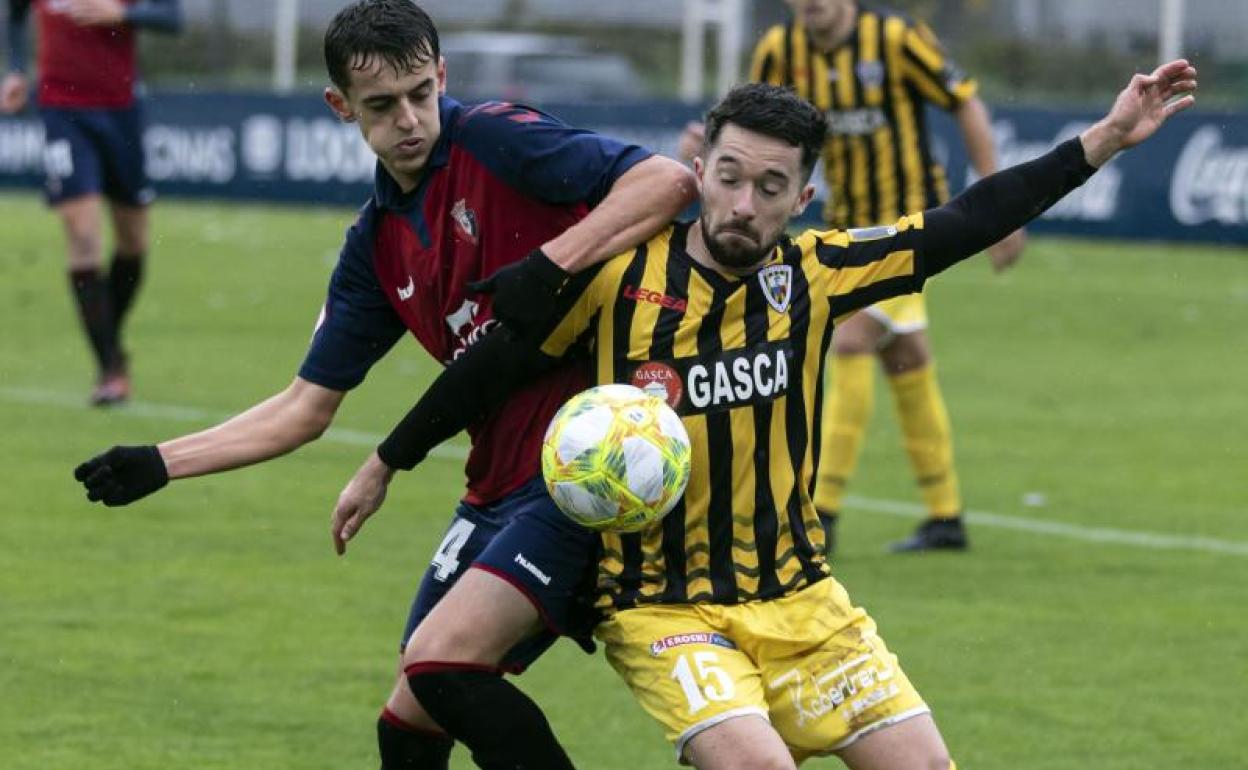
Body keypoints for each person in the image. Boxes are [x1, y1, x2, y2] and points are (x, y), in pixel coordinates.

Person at [357, 63, 1196, 768]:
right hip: (665, 606)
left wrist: (1105, 139)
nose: (743, 205)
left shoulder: (819, 273)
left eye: (770, 187)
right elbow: (496, 362)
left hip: (803, 598)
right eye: (728, 178)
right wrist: (388, 457)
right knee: (757, 764)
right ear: (699, 170)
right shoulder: (616, 281)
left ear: (802, 197)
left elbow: (966, 222)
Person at [71, 1, 696, 768]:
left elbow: (665, 180)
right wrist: (162, 461)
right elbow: (305, 408)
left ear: (441, 77)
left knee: (442, 668)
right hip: (495, 476)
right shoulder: (374, 246)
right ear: (341, 107)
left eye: (419, 94)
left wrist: (552, 263)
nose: (409, 119)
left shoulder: (493, 138)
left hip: (585, 464)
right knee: (410, 715)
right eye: (381, 106)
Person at [680, 0, 1025, 553]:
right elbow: (748, 125)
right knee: (906, 360)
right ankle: (945, 514)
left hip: (909, 234)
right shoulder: (780, 51)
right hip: (844, 237)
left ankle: (823, 512)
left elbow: (966, 103)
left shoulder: (896, 40)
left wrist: (999, 209)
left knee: (851, 341)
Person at [2, 0, 183, 405]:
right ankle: (110, 369)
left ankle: (109, 341)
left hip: (121, 111)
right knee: (83, 235)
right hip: (61, 110)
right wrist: (16, 69)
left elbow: (172, 18)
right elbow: (13, 14)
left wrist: (123, 15)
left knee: (133, 241)